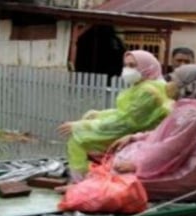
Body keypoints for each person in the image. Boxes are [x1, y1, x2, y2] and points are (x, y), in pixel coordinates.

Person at [108, 64, 196, 201]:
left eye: (173, 80)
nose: (168, 84)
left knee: (115, 179)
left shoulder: (192, 115)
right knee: (121, 159)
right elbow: (163, 135)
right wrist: (134, 137)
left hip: (187, 180)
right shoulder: (190, 109)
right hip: (188, 173)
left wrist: (136, 165)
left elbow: (169, 150)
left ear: (188, 86)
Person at [57, 50, 171, 181]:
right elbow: (125, 113)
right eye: (126, 65)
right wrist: (100, 115)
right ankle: (92, 176)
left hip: (138, 136)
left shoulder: (148, 92)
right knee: (85, 129)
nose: (127, 70)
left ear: (147, 67)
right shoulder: (147, 85)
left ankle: (83, 181)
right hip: (138, 132)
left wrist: (83, 126)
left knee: (78, 139)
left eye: (133, 66)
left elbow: (124, 123)